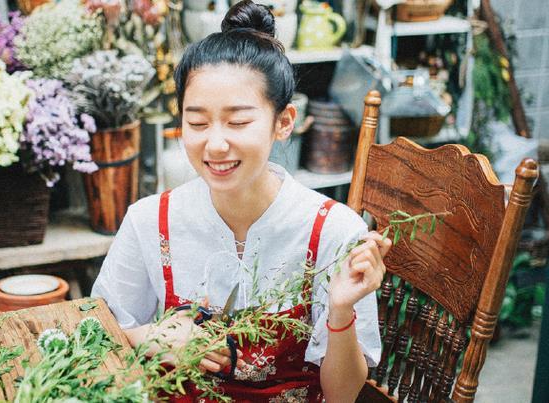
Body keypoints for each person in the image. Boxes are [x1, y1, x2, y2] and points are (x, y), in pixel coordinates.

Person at [91, 1, 391, 401]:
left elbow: (341, 396)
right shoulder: (150, 220)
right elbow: (97, 339)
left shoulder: (335, 231)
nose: (214, 144)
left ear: (284, 122)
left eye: (238, 122)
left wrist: (340, 310)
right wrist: (149, 336)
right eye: (196, 122)